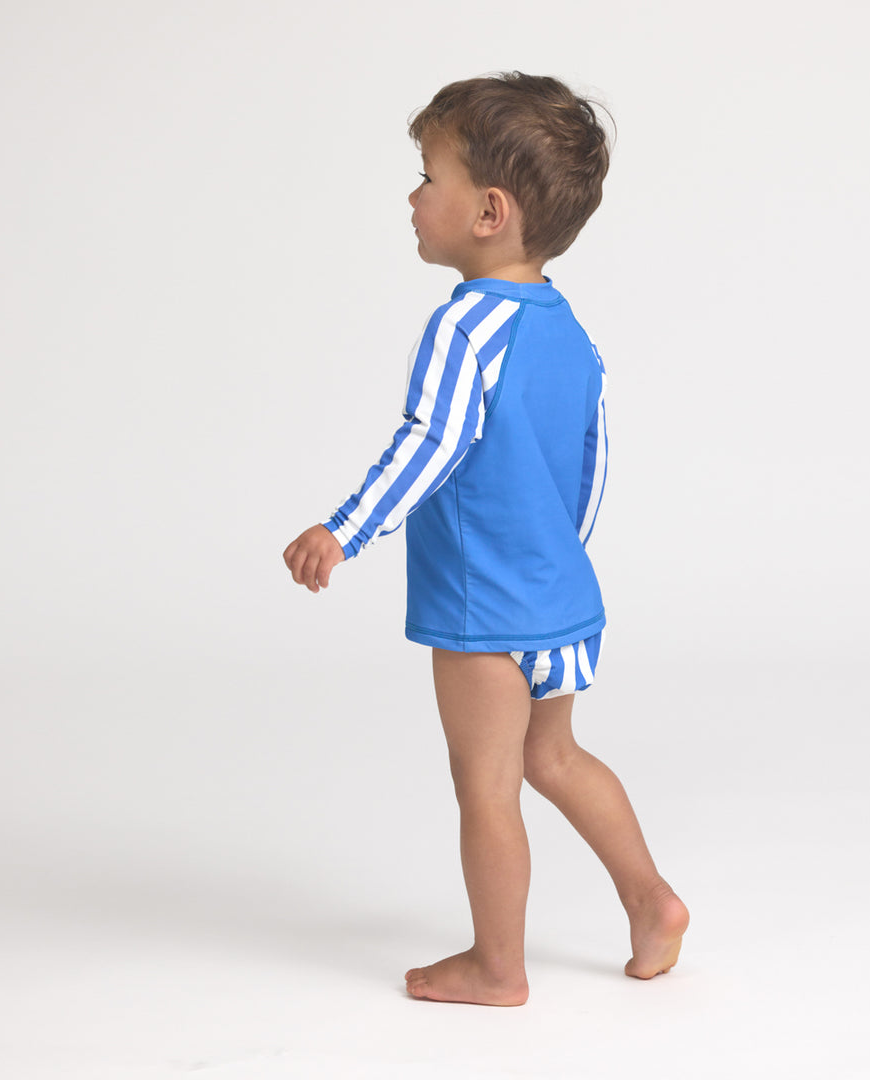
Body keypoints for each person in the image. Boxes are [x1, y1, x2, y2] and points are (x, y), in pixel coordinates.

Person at [283, 73, 688, 1006]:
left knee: (489, 788)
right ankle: (653, 900)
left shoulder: (467, 324)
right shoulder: (570, 332)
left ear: (489, 212)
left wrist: (343, 529)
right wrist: (562, 560)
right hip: (560, 596)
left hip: (483, 606)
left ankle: (498, 968)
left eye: (429, 176)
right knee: (557, 759)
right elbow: (586, 465)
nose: (414, 197)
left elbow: (429, 442)